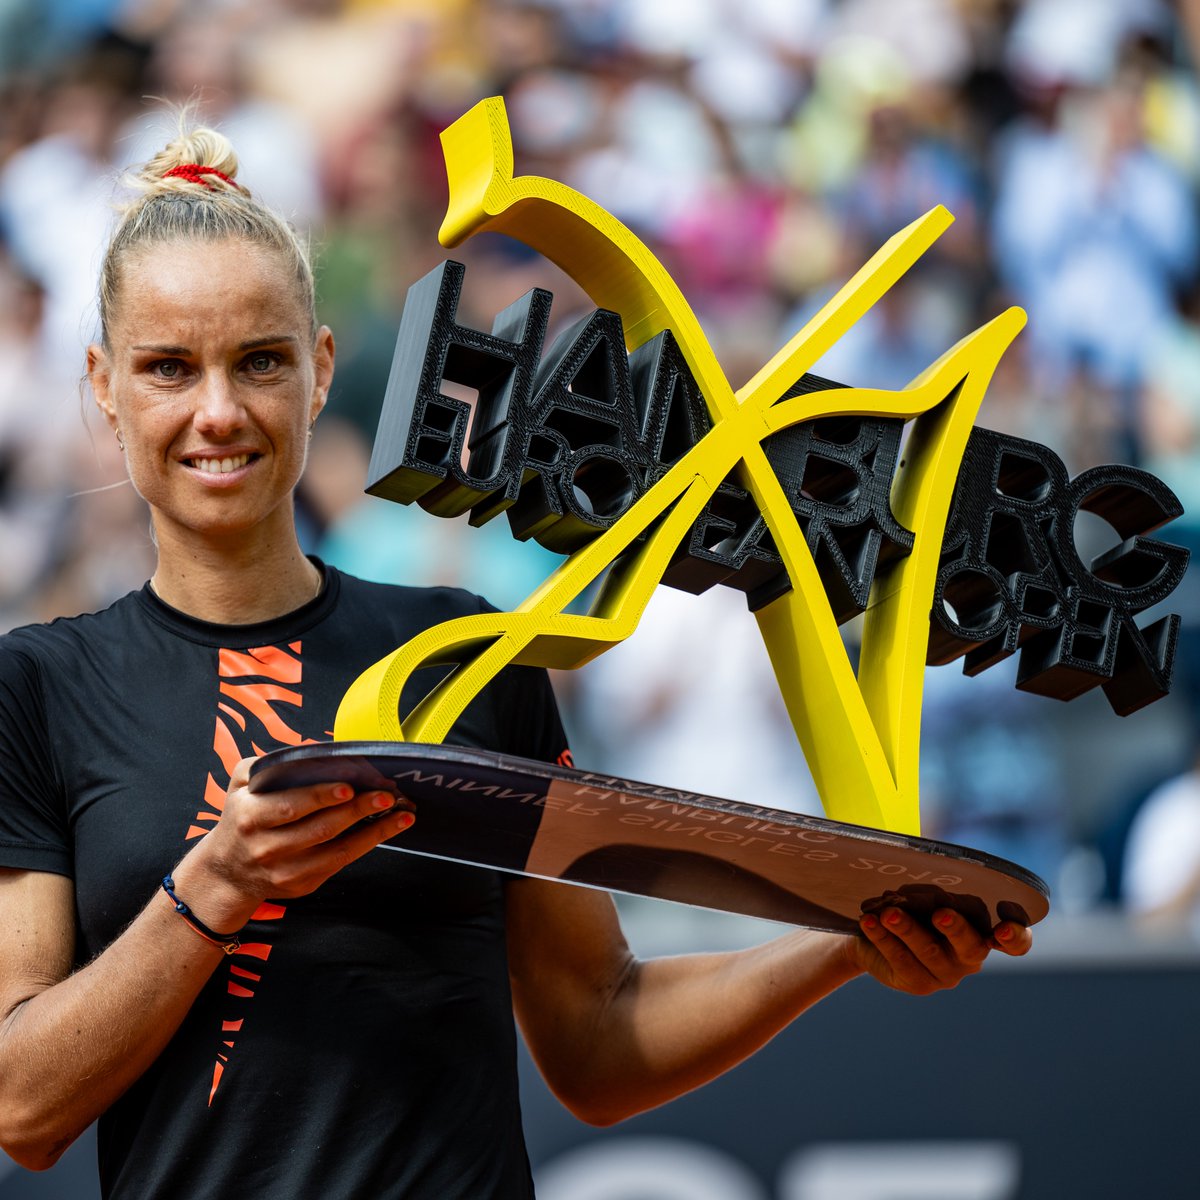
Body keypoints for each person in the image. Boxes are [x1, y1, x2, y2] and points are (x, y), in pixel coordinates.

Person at [0, 124, 1032, 1200]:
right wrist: (218, 882)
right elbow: (22, 1107)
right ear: (106, 385)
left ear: (319, 372)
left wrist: (849, 944)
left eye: (259, 360)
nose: (218, 410)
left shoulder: (468, 654)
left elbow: (597, 1034)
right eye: (170, 368)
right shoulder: (36, 688)